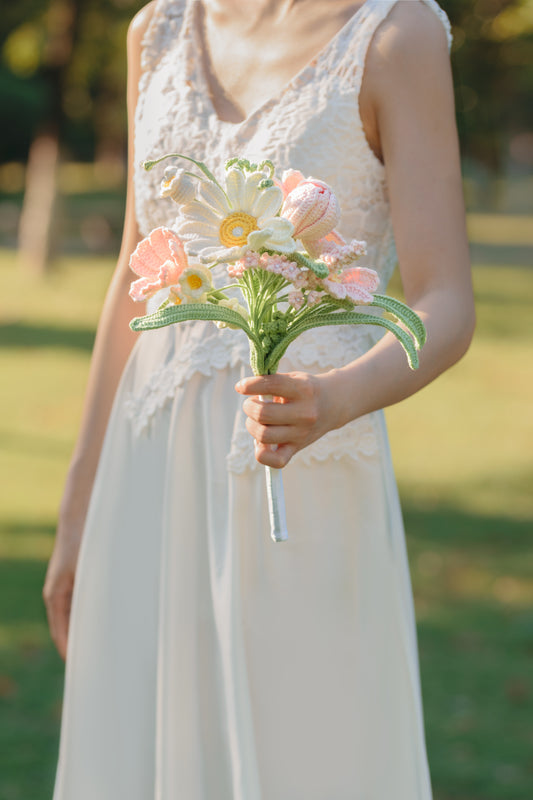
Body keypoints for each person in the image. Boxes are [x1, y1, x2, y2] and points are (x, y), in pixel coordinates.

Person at [44, 0, 476, 797]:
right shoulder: (158, 29)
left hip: (301, 463)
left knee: (303, 752)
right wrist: (79, 508)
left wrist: (337, 397)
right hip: (146, 467)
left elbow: (444, 302)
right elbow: (135, 278)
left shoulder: (393, 34)